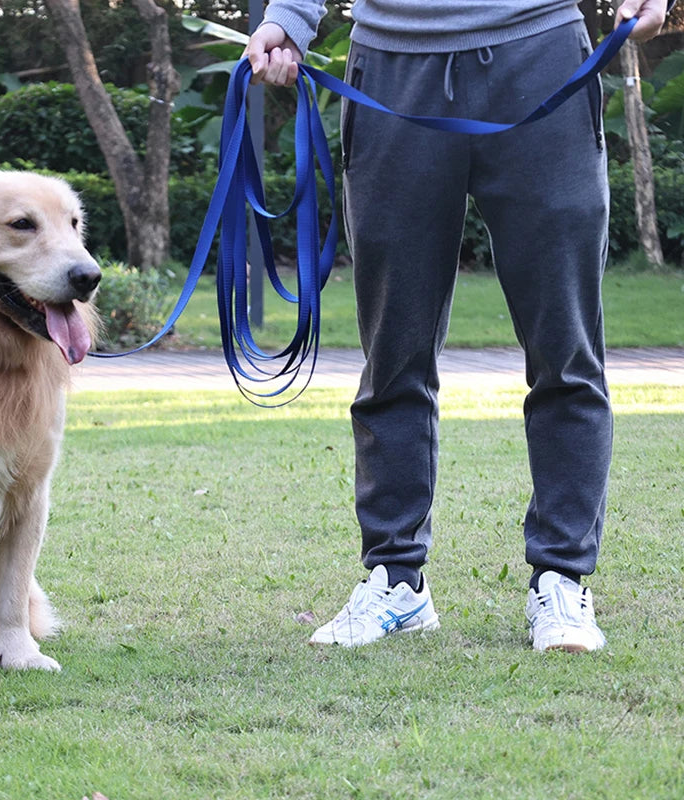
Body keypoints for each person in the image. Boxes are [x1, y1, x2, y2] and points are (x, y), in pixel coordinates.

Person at [246, 0, 674, 651]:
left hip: (541, 51)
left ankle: (562, 579)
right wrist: (291, 18)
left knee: (566, 348)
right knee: (393, 353)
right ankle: (397, 580)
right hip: (391, 63)